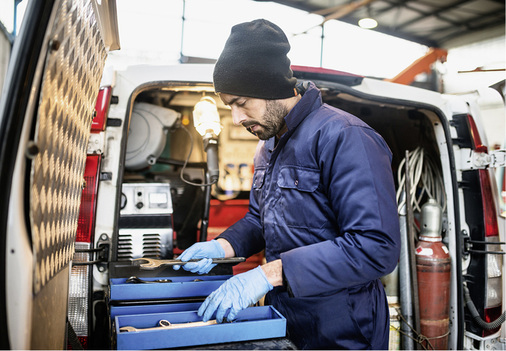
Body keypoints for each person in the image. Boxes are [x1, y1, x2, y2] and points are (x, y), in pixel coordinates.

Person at [173, 18, 401, 350]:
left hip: (344, 325)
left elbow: (376, 246)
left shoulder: (344, 137)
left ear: (272, 88)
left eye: (241, 103)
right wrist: (223, 248)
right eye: (229, 106)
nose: (236, 118)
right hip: (285, 316)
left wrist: (267, 275)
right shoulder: (267, 146)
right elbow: (259, 219)